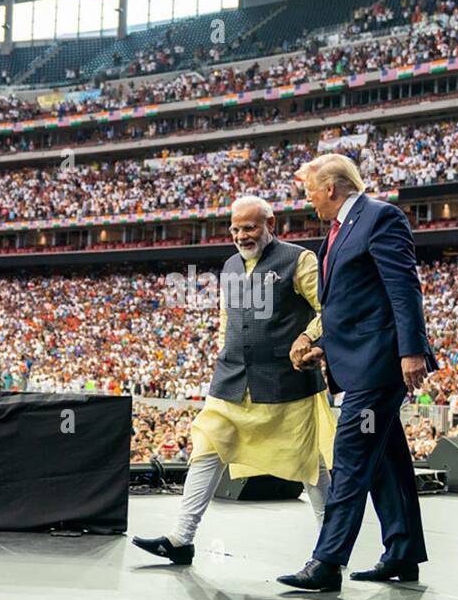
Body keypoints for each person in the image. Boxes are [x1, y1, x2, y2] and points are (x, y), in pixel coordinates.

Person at [132, 195, 335, 565]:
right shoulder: (229, 265)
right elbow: (229, 315)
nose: (242, 235)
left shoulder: (299, 260)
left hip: (285, 383)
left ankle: (330, 553)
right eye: (236, 228)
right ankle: (181, 539)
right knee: (206, 449)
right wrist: (225, 348)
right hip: (231, 380)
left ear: (270, 224)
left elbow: (329, 307)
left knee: (309, 466)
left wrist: (310, 340)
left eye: (250, 227)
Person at [278, 153, 433, 592]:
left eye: (309, 190)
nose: (307, 200)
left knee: (349, 458)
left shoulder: (380, 217)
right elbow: (351, 307)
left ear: (331, 187)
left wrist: (412, 351)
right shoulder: (335, 232)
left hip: (380, 366)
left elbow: (404, 288)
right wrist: (320, 344)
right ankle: (402, 552)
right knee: (386, 460)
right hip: (357, 362)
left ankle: (327, 562)